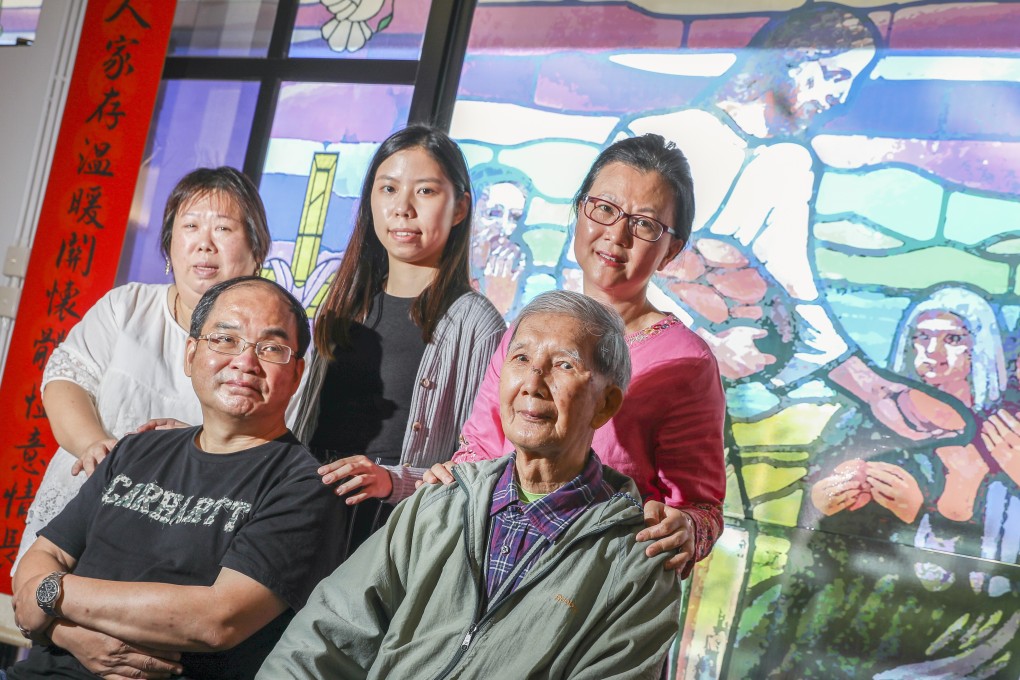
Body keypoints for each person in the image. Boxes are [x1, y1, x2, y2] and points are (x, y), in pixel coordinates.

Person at [257, 291, 680, 679]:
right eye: (520, 359)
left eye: (563, 365)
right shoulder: (439, 504)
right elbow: (325, 634)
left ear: (606, 404)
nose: (532, 383)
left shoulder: (637, 562)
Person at [9, 276, 346, 680]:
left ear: (296, 374)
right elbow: (43, 557)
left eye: (271, 348)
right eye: (225, 339)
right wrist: (69, 635)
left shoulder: (305, 485)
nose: (245, 361)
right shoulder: (137, 450)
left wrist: (53, 593)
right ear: (190, 354)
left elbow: (217, 619)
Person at [431, 133, 726, 575]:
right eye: (604, 209)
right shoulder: (528, 329)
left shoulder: (686, 362)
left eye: (644, 224)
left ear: (671, 251)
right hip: (485, 561)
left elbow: (703, 510)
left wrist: (685, 527)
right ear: (579, 212)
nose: (616, 235)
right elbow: (478, 449)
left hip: (592, 589)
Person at [16, 166, 272, 571]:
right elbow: (66, 379)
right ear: (170, 245)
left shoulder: (270, 344)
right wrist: (93, 445)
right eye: (189, 226)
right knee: (50, 615)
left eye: (223, 229)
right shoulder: (128, 306)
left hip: (181, 541)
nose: (204, 244)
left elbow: (271, 444)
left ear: (257, 251)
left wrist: (193, 447)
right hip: (79, 520)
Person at [292, 124, 505, 555]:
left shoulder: (475, 322)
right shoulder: (344, 301)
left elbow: (481, 461)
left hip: (393, 525)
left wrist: (393, 481)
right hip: (309, 502)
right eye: (388, 189)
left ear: (461, 207)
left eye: (425, 192)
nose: (402, 208)